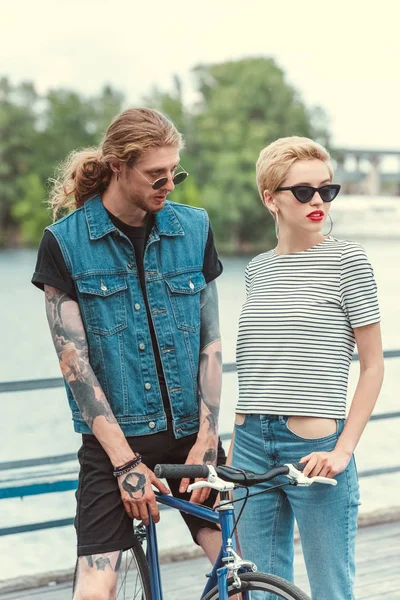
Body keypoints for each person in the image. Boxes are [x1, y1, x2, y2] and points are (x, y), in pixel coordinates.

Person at [32, 108, 225, 600]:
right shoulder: (65, 243)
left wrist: (207, 438)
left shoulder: (194, 228)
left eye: (174, 172)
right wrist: (123, 464)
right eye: (156, 175)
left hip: (192, 437)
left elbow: (211, 344)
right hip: (113, 445)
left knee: (236, 572)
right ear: (118, 166)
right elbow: (75, 366)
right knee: (96, 590)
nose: (169, 185)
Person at [230, 137, 384, 600]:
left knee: (331, 591)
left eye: (326, 189)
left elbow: (373, 367)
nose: (317, 200)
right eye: (302, 191)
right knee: (260, 591)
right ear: (269, 198)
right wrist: (233, 445)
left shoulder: (347, 261)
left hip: (315, 448)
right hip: (250, 447)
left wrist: (344, 449)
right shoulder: (257, 269)